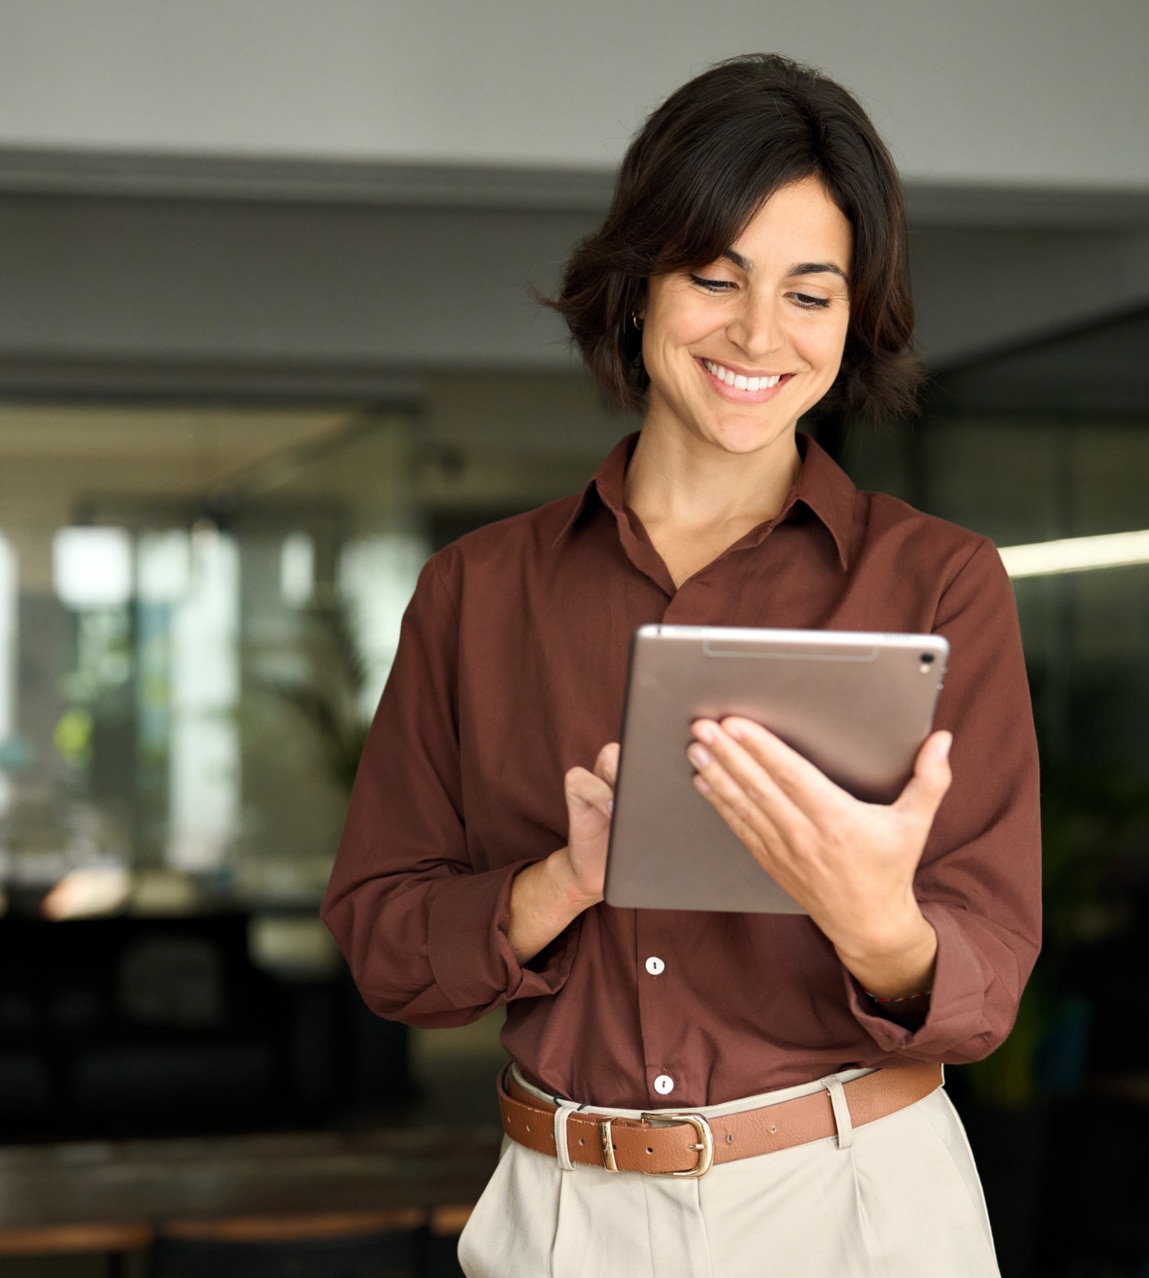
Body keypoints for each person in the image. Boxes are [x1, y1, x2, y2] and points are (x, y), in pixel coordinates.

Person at [321, 52, 1040, 1278]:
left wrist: (880, 930)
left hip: (855, 1205)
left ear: (854, 318)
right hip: (564, 1214)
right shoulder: (475, 593)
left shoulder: (939, 584)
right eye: (717, 277)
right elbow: (386, 944)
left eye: (812, 294)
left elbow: (986, 979)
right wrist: (557, 883)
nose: (760, 334)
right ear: (639, 285)